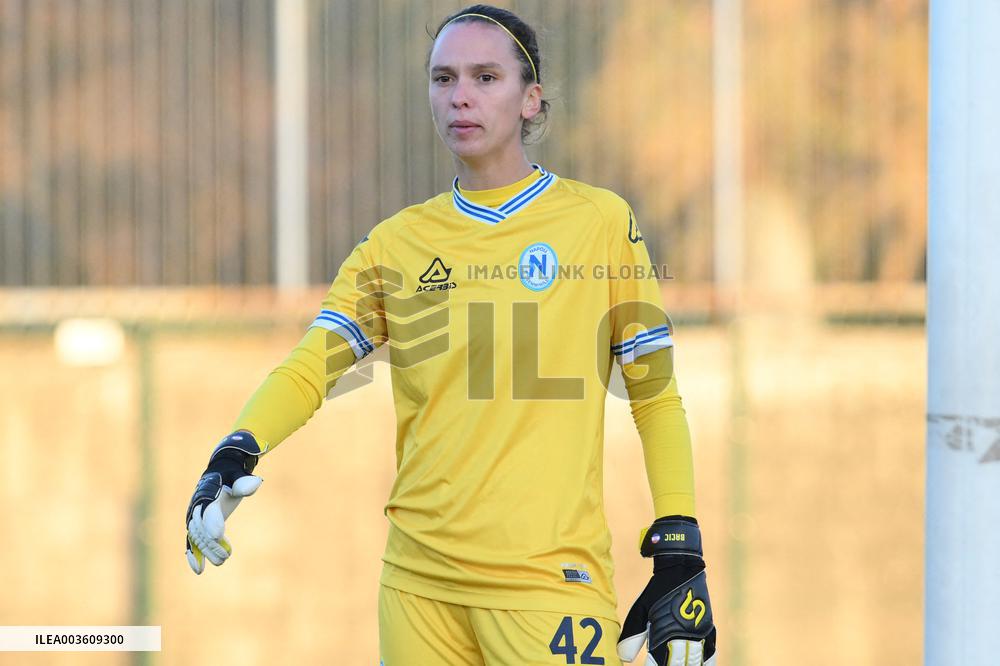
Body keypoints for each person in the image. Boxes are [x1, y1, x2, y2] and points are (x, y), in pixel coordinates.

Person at [184, 5, 717, 665]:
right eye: (443, 79)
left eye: (485, 77)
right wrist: (235, 451)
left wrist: (679, 540)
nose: (459, 95)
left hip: (547, 585)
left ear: (531, 99)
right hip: (418, 590)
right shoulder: (395, 243)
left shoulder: (600, 223)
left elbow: (655, 394)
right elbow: (310, 368)